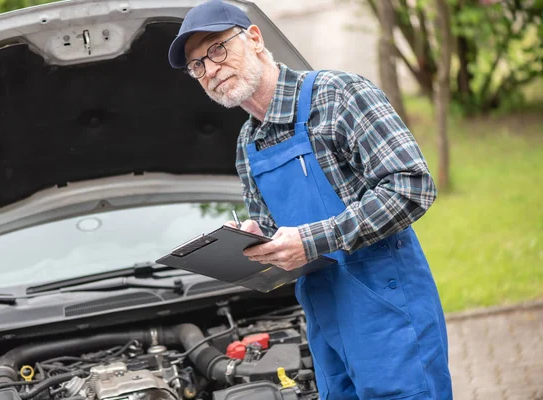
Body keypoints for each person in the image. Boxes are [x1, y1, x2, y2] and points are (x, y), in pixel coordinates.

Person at [168, 1, 453, 398]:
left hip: (389, 313)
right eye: (196, 65)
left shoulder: (337, 96)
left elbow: (412, 186)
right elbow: (281, 236)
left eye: (217, 49)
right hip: (325, 323)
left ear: (254, 38)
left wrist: (313, 240)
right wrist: (254, 241)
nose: (210, 70)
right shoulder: (248, 145)